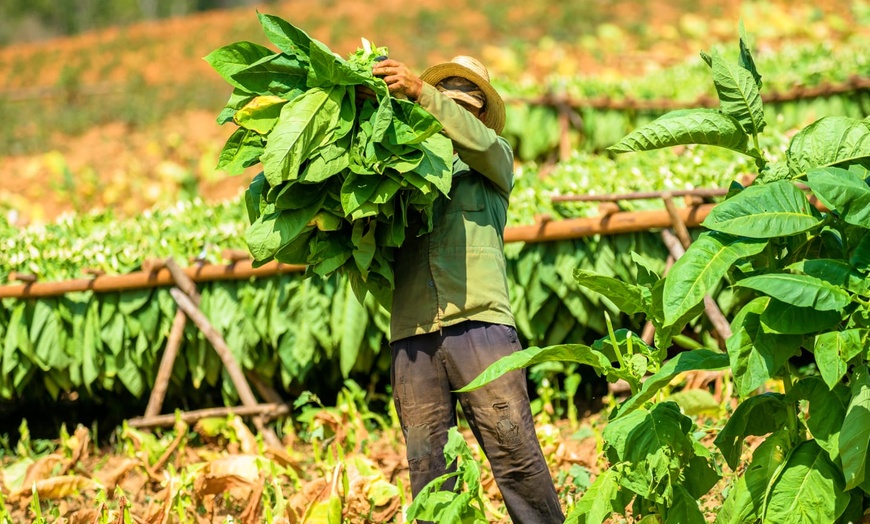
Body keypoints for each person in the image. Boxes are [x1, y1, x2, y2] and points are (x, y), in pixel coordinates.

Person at [371, 55, 565, 523]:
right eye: (442, 105)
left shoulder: (493, 162)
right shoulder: (405, 174)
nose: (446, 118)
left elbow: (477, 142)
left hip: (480, 326)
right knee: (429, 471)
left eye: (458, 107)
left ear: (476, 115)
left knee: (515, 454)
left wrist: (422, 92)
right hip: (412, 334)